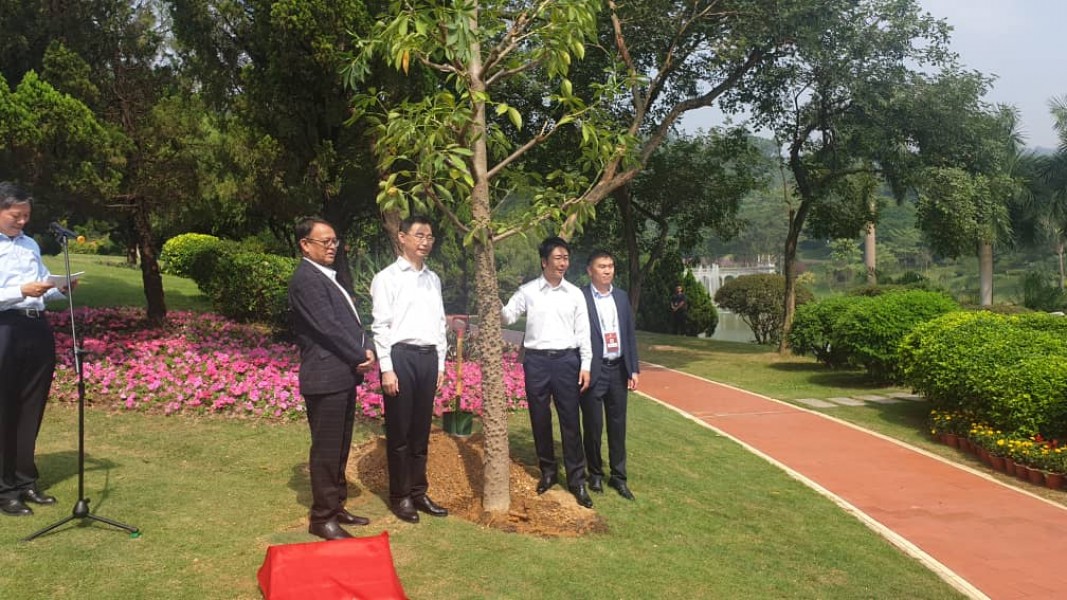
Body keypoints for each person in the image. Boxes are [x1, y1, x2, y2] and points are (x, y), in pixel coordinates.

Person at [288, 216, 376, 540]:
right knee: (326, 451)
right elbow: (328, 327)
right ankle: (322, 517)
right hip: (325, 378)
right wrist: (359, 355)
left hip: (342, 377)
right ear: (305, 244)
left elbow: (351, 323)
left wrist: (367, 348)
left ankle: (336, 506)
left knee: (339, 447)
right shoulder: (306, 280)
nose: (332, 246)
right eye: (325, 241)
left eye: (334, 241)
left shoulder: (328, 276)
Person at [501, 236, 594, 509]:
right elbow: (508, 316)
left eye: (566, 258)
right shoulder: (528, 291)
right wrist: (495, 303)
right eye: (558, 258)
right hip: (537, 362)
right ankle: (548, 471)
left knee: (570, 420)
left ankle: (577, 479)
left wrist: (586, 365)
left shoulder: (575, 294)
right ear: (544, 262)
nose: (563, 263)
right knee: (539, 418)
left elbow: (583, 333)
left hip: (566, 361)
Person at [370, 215, 449, 524]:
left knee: (421, 431)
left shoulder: (433, 279)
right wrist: (387, 369)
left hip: (428, 358)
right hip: (401, 357)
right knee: (400, 432)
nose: (425, 242)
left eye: (429, 237)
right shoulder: (387, 278)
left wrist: (440, 363)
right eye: (419, 235)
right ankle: (400, 495)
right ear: (402, 237)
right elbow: (381, 326)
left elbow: (439, 324)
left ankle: (418, 491)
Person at [0, 182, 71, 516]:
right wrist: (20, 291)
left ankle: (25, 480)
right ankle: (4, 490)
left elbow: (42, 284)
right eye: (16, 215)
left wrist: (60, 287)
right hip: (5, 328)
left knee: (31, 406)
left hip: (35, 328)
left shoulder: (30, 245)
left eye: (26, 216)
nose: (23, 221)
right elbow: (20, 290)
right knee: (4, 408)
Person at [579, 251, 639, 500]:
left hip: (618, 370)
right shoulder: (580, 297)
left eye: (611, 266)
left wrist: (633, 368)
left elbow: (629, 334)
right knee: (593, 426)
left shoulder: (621, 297)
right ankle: (595, 473)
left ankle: (619, 476)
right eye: (602, 266)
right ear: (589, 270)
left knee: (618, 425)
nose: (607, 270)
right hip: (593, 370)